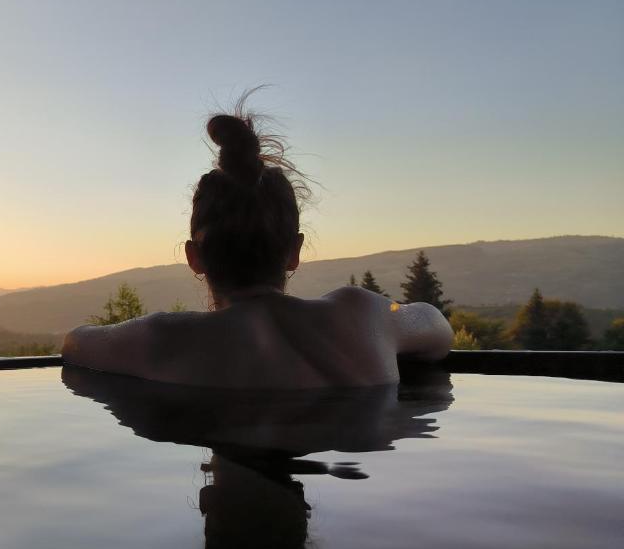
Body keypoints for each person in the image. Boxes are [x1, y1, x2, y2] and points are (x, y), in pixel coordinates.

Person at [62, 103, 452, 388]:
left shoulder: (162, 338)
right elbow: (436, 327)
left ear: (194, 258)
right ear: (295, 251)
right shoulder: (363, 315)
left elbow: (76, 342)